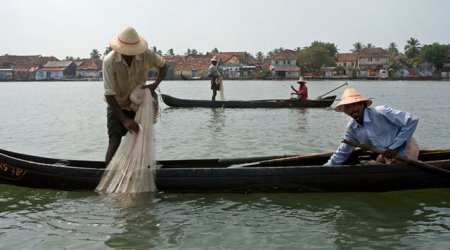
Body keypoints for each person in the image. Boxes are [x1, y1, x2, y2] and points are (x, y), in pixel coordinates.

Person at [103, 26, 167, 166]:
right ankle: (106, 175)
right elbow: (109, 95)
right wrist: (125, 120)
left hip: (138, 105)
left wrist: (155, 84)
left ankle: (142, 168)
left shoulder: (146, 55)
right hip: (117, 105)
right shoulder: (109, 61)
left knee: (143, 138)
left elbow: (164, 66)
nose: (130, 54)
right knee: (114, 140)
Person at [324, 88, 419, 166]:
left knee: (387, 166)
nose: (352, 109)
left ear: (362, 105)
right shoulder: (352, 129)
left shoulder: (381, 112)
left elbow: (412, 120)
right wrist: (325, 169)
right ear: (345, 111)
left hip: (406, 147)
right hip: (387, 154)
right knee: (373, 164)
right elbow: (342, 153)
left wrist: (395, 147)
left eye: (355, 104)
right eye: (348, 107)